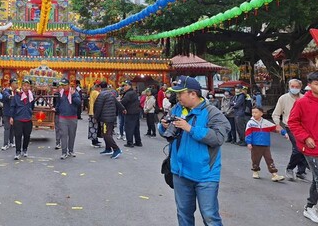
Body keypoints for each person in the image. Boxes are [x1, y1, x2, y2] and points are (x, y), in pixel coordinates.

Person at [159, 75, 230, 226]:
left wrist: (190, 128)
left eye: (180, 93)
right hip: (180, 172)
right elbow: (167, 133)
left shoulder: (213, 113)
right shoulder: (177, 109)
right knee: (183, 214)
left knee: (210, 217)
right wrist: (163, 126)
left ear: (193, 94)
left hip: (205, 175)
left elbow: (218, 138)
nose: (177, 97)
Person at [287, 71, 318, 223]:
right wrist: (306, 137)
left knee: (317, 179)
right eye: (317, 84)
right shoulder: (302, 102)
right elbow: (292, 122)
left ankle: (311, 206)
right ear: (310, 85)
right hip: (311, 148)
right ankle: (310, 207)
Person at [272, 78, 308, 181]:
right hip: (290, 126)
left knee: (305, 148)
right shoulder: (283, 98)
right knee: (297, 148)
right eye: (292, 86)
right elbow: (276, 114)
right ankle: (290, 168)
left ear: (300, 87)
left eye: (297, 87)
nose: (294, 88)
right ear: (289, 87)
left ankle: (301, 171)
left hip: (304, 127)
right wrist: (277, 125)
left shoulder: (304, 98)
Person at [246, 106, 286, 181]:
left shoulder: (266, 123)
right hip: (255, 144)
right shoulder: (250, 123)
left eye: (256, 112)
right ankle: (255, 171)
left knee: (269, 159)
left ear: (261, 113)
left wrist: (284, 133)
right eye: (252, 112)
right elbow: (248, 134)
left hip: (265, 144)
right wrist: (249, 143)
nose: (254, 114)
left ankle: (274, 174)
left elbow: (276, 128)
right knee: (255, 159)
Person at [94, 81, 125, 159]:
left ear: (100, 87)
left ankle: (116, 149)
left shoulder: (101, 95)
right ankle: (108, 148)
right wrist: (123, 109)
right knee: (108, 133)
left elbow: (98, 107)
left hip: (106, 118)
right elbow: (117, 102)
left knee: (106, 134)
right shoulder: (111, 93)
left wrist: (95, 117)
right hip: (111, 117)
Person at [56, 78, 81, 159]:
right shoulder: (61, 93)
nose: (63, 87)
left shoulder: (75, 93)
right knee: (63, 135)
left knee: (72, 135)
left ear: (69, 85)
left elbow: (78, 103)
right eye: (62, 85)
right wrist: (57, 109)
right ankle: (64, 152)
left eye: (65, 85)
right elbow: (58, 103)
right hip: (63, 117)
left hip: (72, 117)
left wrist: (73, 95)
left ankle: (71, 150)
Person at [10, 79, 34, 160]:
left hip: (28, 118)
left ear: (30, 87)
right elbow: (12, 107)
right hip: (18, 118)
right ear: (22, 86)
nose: (26, 87)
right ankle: (17, 151)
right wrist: (11, 117)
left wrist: (30, 112)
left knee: (27, 136)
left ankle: (25, 149)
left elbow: (32, 106)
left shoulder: (31, 96)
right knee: (18, 136)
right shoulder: (17, 96)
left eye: (28, 86)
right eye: (24, 85)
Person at [120, 80, 142, 147]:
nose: (124, 87)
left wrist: (119, 103)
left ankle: (130, 142)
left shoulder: (128, 93)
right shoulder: (133, 92)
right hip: (136, 112)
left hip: (130, 112)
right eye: (124, 85)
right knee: (136, 127)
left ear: (130, 86)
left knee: (129, 128)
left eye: (126, 85)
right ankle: (138, 142)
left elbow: (124, 102)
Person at [1, 79, 17, 150]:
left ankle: (11, 142)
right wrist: (10, 97)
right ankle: (5, 144)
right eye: (14, 83)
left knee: (13, 128)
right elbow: (5, 95)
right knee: (7, 128)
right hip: (7, 113)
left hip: (14, 113)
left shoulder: (17, 92)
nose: (15, 85)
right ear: (11, 84)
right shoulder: (7, 90)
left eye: (16, 83)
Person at [88, 81, 102, 148]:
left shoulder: (93, 92)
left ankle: (95, 140)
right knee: (94, 127)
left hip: (92, 111)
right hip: (94, 112)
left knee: (94, 126)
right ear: (98, 87)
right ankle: (94, 141)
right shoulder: (96, 93)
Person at [52, 82, 62, 149]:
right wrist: (54, 108)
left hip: (65, 114)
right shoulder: (56, 95)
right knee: (57, 129)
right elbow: (54, 104)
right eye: (59, 87)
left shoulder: (67, 95)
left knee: (64, 130)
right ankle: (58, 142)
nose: (60, 89)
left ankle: (64, 143)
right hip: (57, 113)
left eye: (61, 87)